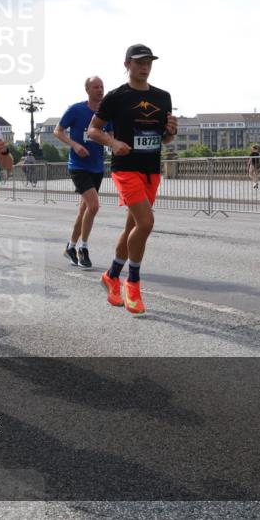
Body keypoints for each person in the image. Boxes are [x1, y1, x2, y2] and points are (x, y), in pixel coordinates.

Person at [90, 44, 176, 316]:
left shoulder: (163, 97)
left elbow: (164, 139)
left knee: (133, 227)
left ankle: (112, 275)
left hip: (151, 170)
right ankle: (133, 283)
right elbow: (93, 130)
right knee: (146, 223)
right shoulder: (116, 97)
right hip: (126, 168)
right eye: (139, 62)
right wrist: (113, 143)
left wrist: (171, 132)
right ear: (127, 64)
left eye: (148, 62)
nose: (144, 66)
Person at [55, 76, 112, 267]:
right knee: (93, 206)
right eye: (95, 87)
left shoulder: (106, 113)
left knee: (84, 210)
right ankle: (83, 248)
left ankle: (70, 246)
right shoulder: (76, 109)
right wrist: (75, 145)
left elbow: (111, 135)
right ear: (87, 90)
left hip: (97, 166)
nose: (100, 90)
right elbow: (58, 131)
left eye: (102, 86)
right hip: (78, 166)